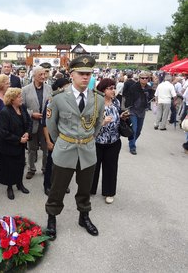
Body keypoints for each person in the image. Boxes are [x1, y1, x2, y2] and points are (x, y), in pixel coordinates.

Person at [45, 55, 105, 240]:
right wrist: (62, 141)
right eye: (81, 73)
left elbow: (98, 125)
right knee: (58, 188)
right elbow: (51, 125)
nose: (85, 77)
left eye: (89, 73)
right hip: (65, 149)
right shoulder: (58, 98)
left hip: (87, 150)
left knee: (85, 188)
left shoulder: (98, 99)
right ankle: (52, 218)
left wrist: (87, 139)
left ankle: (84, 216)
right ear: (71, 74)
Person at [90, 78, 128, 204]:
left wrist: (122, 116)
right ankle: (90, 189)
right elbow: (88, 123)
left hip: (113, 141)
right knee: (93, 167)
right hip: (97, 141)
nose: (113, 90)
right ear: (103, 90)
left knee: (111, 168)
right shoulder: (95, 103)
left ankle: (109, 192)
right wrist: (101, 122)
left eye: (114, 88)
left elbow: (117, 116)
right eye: (110, 88)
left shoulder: (116, 102)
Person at [0, 88, 32, 200]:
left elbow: (29, 122)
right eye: (19, 97)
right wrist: (18, 139)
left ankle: (19, 184)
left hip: (21, 143)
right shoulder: (5, 112)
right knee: (9, 167)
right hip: (8, 145)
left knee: (20, 164)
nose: (21, 98)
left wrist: (27, 133)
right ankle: (10, 187)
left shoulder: (22, 108)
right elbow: (4, 132)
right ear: (12, 100)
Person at [22, 66, 52, 179]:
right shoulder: (25, 90)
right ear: (33, 75)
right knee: (31, 149)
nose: (43, 77)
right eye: (41, 75)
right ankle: (31, 169)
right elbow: (22, 107)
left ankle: (45, 168)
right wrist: (31, 114)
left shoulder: (49, 89)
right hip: (32, 124)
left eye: (44, 74)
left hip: (46, 125)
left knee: (46, 148)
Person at [42, 78, 71, 196]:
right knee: (51, 163)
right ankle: (48, 185)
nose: (69, 88)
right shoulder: (51, 101)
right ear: (60, 88)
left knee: (65, 164)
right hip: (54, 138)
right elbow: (45, 125)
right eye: (67, 86)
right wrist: (48, 141)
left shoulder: (70, 101)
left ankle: (62, 184)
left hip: (67, 138)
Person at [125, 71, 152, 155]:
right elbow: (128, 97)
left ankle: (132, 140)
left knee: (139, 131)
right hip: (133, 111)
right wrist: (127, 107)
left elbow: (151, 97)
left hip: (142, 111)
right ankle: (132, 146)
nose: (144, 79)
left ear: (148, 79)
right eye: (142, 78)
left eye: (146, 78)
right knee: (134, 129)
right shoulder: (134, 87)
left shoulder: (149, 88)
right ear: (139, 78)